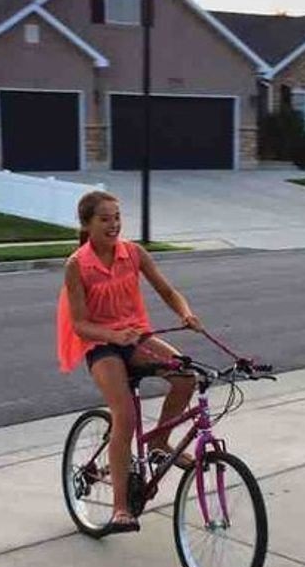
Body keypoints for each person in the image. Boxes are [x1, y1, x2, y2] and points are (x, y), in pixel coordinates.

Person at [57, 190, 202, 534]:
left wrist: (186, 313)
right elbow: (79, 323)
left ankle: (157, 443)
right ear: (87, 224)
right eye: (104, 219)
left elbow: (168, 291)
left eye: (117, 218)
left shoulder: (133, 253)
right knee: (125, 415)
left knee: (186, 376)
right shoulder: (77, 265)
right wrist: (112, 335)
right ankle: (121, 508)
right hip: (101, 346)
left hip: (136, 338)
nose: (113, 225)